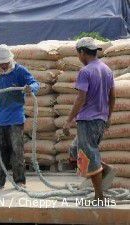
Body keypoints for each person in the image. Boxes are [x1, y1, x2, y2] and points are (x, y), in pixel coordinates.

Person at [0, 44, 40, 190]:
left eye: (6, 63)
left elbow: (34, 83)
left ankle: (20, 181)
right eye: (1, 63)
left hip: (16, 118)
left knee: (17, 150)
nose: (4, 66)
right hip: (0, 118)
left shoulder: (19, 71)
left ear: (10, 60)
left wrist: (31, 88)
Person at [63, 37, 116, 202]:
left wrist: (68, 120)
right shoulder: (107, 69)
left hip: (87, 121)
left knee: (89, 156)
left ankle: (99, 196)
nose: (79, 57)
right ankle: (104, 168)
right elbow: (112, 97)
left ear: (82, 52)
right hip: (100, 120)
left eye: (78, 54)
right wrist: (108, 117)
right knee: (75, 151)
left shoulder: (85, 72)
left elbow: (80, 99)